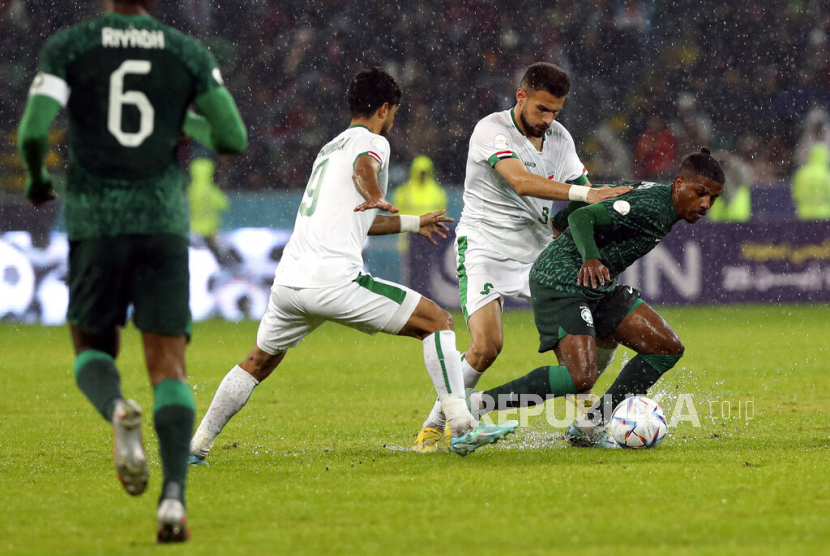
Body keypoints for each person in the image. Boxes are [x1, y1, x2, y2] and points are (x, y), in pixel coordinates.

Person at [188, 68, 517, 466]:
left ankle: (196, 447)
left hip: (290, 283)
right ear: (384, 108)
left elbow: (362, 216)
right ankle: (463, 427)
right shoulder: (371, 141)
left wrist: (413, 222)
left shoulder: (329, 148)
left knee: (258, 361)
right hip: (333, 281)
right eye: (394, 111)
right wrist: (376, 192)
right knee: (438, 321)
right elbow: (366, 168)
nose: (393, 119)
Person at [16, 0, 247, 543]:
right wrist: (177, 115)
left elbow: (31, 132)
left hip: (97, 222)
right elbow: (232, 137)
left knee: (92, 351)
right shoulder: (186, 51)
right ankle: (173, 501)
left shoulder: (71, 46)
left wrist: (34, 178)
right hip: (163, 223)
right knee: (168, 366)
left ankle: (118, 407)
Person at [412, 62, 630, 452]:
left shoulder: (560, 139)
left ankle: (585, 420)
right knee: (486, 346)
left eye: (556, 112)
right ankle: (436, 423)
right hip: (486, 248)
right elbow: (521, 180)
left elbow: (585, 195)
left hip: (538, 252)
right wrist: (585, 195)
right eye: (541, 109)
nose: (548, 120)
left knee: (594, 336)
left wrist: (606, 217)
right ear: (521, 97)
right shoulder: (491, 129)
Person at [465, 149, 725, 447]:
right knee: (580, 377)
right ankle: (477, 404)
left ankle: (592, 424)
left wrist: (561, 225)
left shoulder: (657, 197)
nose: (706, 204)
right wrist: (589, 256)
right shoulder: (653, 206)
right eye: (701, 193)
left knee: (665, 348)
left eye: (713, 198)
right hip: (563, 281)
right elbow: (584, 216)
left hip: (598, 284)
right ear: (680, 183)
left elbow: (588, 201)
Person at [391, 155, 447, 281]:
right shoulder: (404, 191)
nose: (422, 175)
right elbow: (397, 214)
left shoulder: (437, 192)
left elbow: (442, 213)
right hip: (410, 239)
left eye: (424, 172)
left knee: (431, 275)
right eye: (420, 172)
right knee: (410, 275)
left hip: (431, 237)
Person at [187, 157, 230, 262]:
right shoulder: (209, 189)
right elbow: (224, 204)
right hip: (210, 229)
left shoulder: (191, 188)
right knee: (218, 257)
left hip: (195, 227)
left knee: (198, 259)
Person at [792, 143, 830, 220]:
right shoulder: (826, 174)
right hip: (824, 214)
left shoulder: (801, 173)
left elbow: (796, 194)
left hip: (803, 213)